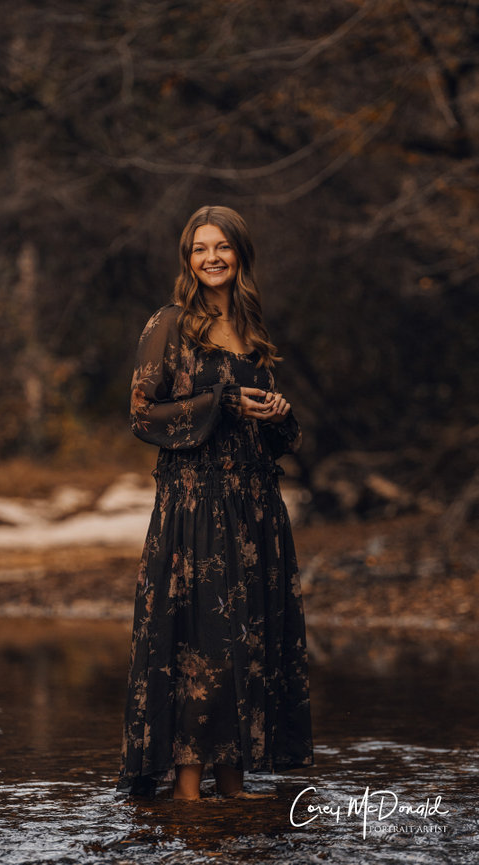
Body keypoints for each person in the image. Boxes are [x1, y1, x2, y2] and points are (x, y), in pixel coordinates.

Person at [116, 205, 313, 801]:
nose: (212, 258)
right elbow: (141, 413)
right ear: (188, 259)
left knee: (245, 646)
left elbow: (277, 434)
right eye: (200, 248)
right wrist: (218, 402)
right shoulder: (170, 323)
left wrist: (280, 414)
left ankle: (233, 787)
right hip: (195, 506)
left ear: (240, 254)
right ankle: (187, 796)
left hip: (255, 508)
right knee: (200, 645)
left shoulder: (253, 329)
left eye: (222, 246)